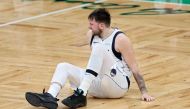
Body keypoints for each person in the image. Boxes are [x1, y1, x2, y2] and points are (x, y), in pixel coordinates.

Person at [25, 8, 155, 109]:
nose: (89, 27)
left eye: (92, 24)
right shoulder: (91, 35)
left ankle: (81, 93)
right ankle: (50, 96)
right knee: (63, 66)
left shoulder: (121, 39)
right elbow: (84, 49)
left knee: (100, 48)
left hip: (117, 86)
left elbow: (135, 68)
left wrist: (144, 92)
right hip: (97, 85)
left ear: (102, 26)